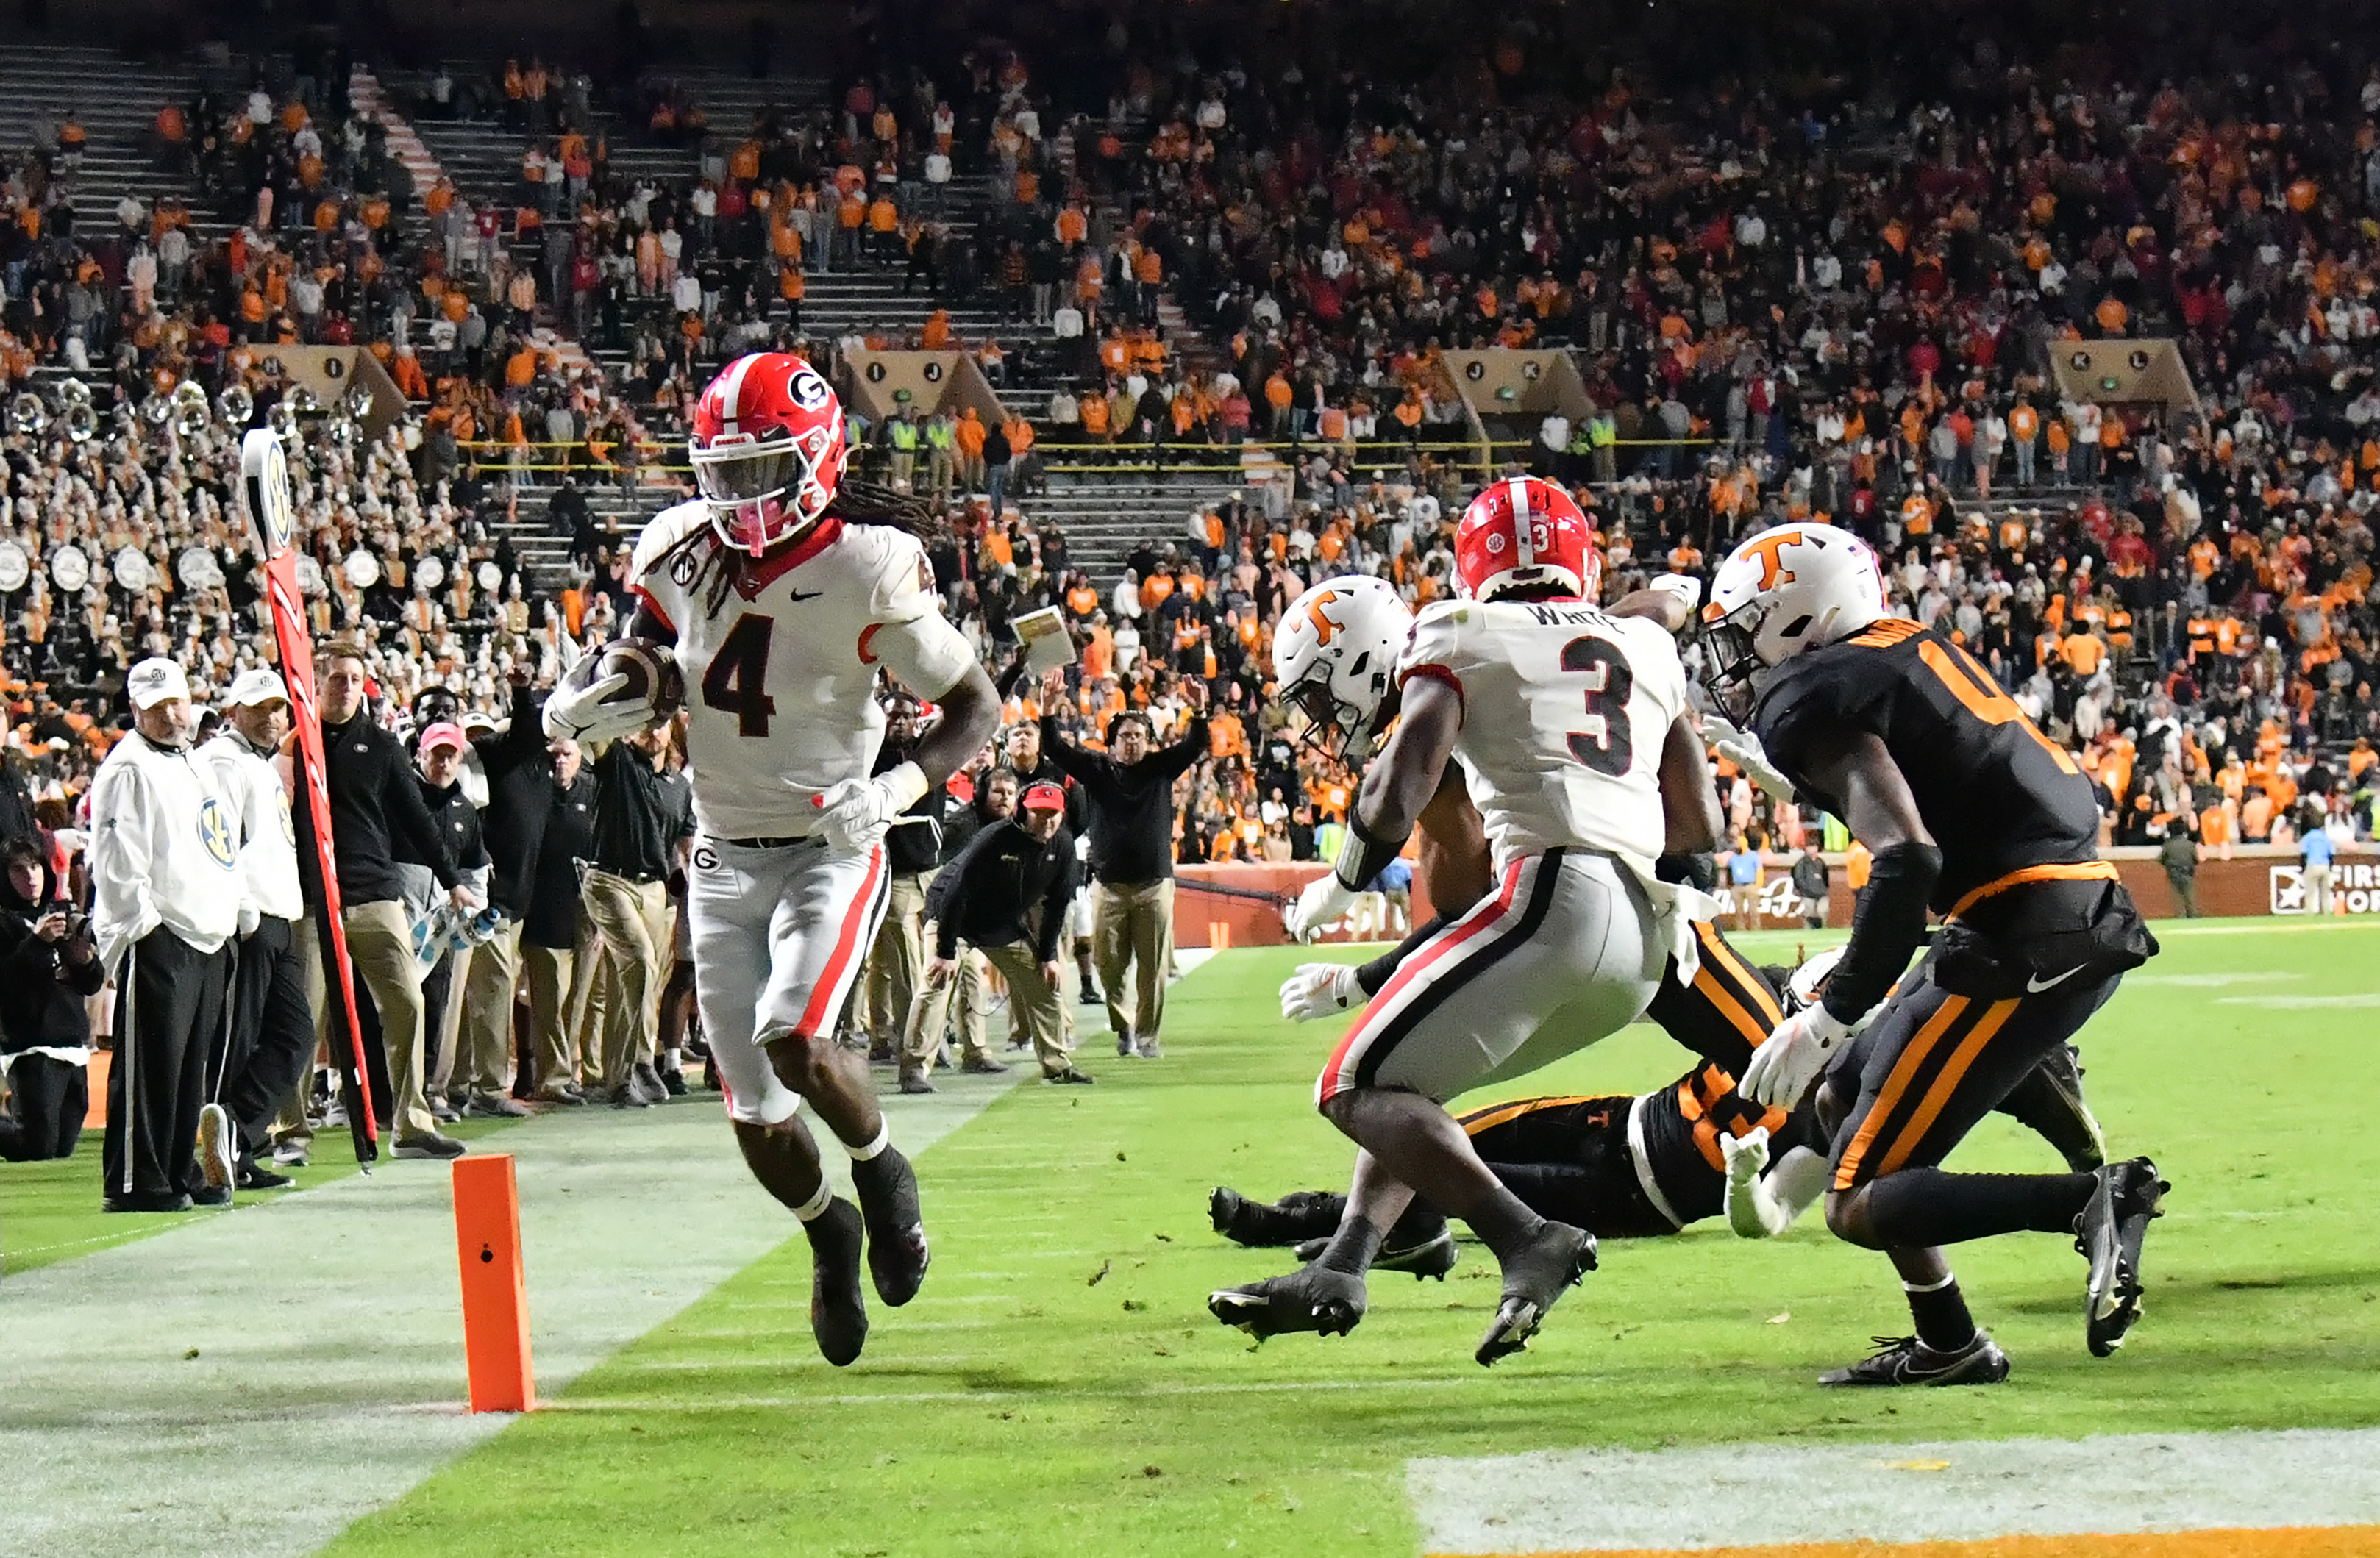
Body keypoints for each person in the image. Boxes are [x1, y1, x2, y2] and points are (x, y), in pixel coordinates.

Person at [544, 351, 1002, 1367]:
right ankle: (827, 1231)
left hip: (830, 843)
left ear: (819, 455)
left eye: (764, 471)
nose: (743, 498)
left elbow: (978, 707)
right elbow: (651, 653)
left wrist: (895, 789)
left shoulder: (869, 562)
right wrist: (600, 687)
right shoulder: (677, 543)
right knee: (753, 1106)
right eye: (729, 471)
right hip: (718, 851)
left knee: (797, 1037)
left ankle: (883, 1172)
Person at [1211, 479, 1720, 1365]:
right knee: (1409, 1087)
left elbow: (1396, 791)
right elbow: (1699, 828)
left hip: (1552, 898)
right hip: (1640, 944)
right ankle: (1346, 1261)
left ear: (1471, 567)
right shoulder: (1642, 645)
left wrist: (1341, 881)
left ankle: (1526, 1237)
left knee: (1349, 1083)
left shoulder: (1457, 630)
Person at [1704, 521, 2163, 1387]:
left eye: (1741, 633)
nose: (1734, 662)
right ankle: (1949, 1341)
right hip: (2039, 911)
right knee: (1842, 1100)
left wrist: (1832, 1012)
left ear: (1793, 619)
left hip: (2016, 934)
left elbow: (1905, 857)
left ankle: (2091, 1199)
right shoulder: (1898, 648)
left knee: (1856, 1200)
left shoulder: (1814, 689)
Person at [297, 642, 480, 1162]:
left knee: (407, 1002)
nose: (348, 686)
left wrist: (451, 878)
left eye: (356, 678)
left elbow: (418, 817)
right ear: (316, 681)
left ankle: (412, 1122)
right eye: (337, 676)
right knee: (303, 1017)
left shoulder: (380, 746)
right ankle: (291, 1132)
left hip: (375, 893)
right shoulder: (297, 743)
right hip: (312, 898)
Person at [88, 659, 247, 1212]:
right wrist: (144, 926)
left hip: (204, 933)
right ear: (135, 710)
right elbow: (114, 860)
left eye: (175, 703)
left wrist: (231, 909)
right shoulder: (128, 768)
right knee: (150, 1069)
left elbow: (218, 842)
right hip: (161, 935)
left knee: (187, 1070)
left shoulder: (193, 763)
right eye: (155, 708)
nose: (169, 715)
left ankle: (179, 1169)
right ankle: (136, 1181)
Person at [1039, 679, 1210, 1059]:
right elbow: (1055, 750)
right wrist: (1048, 710)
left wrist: (1199, 711)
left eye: (1139, 735)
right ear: (1111, 741)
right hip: (1108, 885)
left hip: (1154, 884)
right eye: (1125, 735)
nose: (1132, 742)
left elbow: (1195, 745)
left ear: (1149, 741)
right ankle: (1123, 1023)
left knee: (1152, 969)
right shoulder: (1097, 769)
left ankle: (1148, 1037)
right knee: (1107, 965)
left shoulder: (1160, 768)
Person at [196, 668, 313, 1188]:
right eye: (260, 707)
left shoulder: (258, 764)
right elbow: (220, 841)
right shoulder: (224, 760)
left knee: (293, 1035)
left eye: (278, 708)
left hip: (277, 915)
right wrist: (241, 910)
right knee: (236, 1044)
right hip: (251, 920)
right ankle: (216, 1149)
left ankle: (234, 1140)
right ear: (234, 712)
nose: (272, 717)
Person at [919, 780, 1088, 1085]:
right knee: (936, 983)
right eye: (1039, 812)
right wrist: (945, 952)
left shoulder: (1063, 846)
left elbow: (1058, 903)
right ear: (1024, 809)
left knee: (1045, 983)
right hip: (954, 916)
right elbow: (957, 892)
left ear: (1063, 815)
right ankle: (916, 1068)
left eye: (1053, 813)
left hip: (1001, 923)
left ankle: (1057, 1065)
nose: (1047, 820)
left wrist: (1048, 955)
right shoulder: (995, 837)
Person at [463, 667, 572, 1106]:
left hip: (528, 899)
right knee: (489, 994)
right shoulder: (500, 763)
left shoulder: (540, 773)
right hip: (495, 899)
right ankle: (485, 1087)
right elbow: (524, 731)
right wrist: (523, 691)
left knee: (502, 994)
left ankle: (486, 1083)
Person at [583, 723, 694, 1105]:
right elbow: (589, 727)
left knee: (646, 979)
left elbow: (687, 847)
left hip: (656, 889)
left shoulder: (680, 787)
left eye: (658, 725)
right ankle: (624, 1073)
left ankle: (642, 1061)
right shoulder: (617, 760)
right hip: (609, 880)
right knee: (641, 962)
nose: (651, 732)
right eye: (643, 725)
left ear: (671, 733)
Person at [410, 722, 502, 1116]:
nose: (443, 762)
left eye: (451, 755)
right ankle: (378, 1095)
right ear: (421, 755)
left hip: (440, 931)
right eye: (437, 754)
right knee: (392, 1010)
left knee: (436, 1009)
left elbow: (475, 872)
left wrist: (473, 918)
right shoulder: (403, 797)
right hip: (403, 920)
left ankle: (430, 1091)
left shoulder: (465, 808)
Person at [899, 765, 1009, 1088]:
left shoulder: (1008, 827)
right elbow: (941, 877)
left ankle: (975, 1051)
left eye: (1010, 793)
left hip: (975, 918)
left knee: (975, 977)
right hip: (946, 916)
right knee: (936, 982)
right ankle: (915, 1065)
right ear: (981, 793)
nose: (1004, 799)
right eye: (998, 792)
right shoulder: (962, 827)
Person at [0, 836, 104, 1162]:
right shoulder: (4, 921)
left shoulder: (62, 912)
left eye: (34, 867)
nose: (30, 877)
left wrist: (85, 960)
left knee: (60, 1148)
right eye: (18, 870)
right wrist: (37, 942)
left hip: (73, 1044)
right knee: (37, 1146)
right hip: (31, 1045)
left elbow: (92, 983)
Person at [861, 692, 947, 1068]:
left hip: (931, 870)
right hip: (891, 873)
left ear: (918, 720)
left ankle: (892, 1037)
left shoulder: (931, 753)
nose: (899, 721)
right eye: (892, 714)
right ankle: (917, 1045)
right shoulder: (866, 756)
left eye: (907, 715)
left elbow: (970, 713)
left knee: (902, 960)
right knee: (907, 965)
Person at [521, 737, 599, 1099]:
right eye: (554, 754)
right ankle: (551, 1079)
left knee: (578, 1001)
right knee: (548, 1001)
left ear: (580, 758)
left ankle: (570, 1074)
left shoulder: (593, 793)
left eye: (567, 754)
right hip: (542, 908)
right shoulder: (534, 793)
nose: (560, 761)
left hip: (583, 909)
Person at [2159, 818, 2201, 918]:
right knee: (2189, 895)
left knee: (2177, 896)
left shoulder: (2168, 845)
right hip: (2187, 872)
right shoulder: (2190, 845)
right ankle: (2193, 914)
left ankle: (2181, 915)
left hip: (2173, 872)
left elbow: (2162, 859)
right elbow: (2196, 860)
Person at [2301, 816, 2337, 915]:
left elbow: (2303, 853)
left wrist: (2303, 868)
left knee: (2310, 891)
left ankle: (2310, 912)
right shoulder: (2325, 837)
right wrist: (2330, 867)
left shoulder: (2308, 837)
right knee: (2325, 892)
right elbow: (2332, 854)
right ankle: (2326, 911)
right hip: (2324, 864)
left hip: (2312, 864)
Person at [1792, 844, 1831, 929]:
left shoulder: (1820, 862)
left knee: (1823, 912)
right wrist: (1805, 890)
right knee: (1808, 915)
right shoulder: (1801, 863)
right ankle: (1808, 931)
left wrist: (1824, 888)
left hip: (1821, 893)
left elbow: (1825, 876)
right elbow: (1798, 878)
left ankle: (1822, 929)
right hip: (1808, 894)